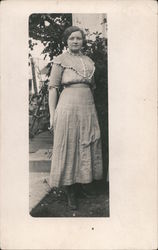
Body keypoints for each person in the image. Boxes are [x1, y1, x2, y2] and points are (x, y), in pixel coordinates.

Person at [48, 26, 103, 210]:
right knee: (69, 144)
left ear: (83, 41)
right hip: (67, 107)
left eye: (78, 38)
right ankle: (70, 190)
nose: (75, 41)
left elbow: (92, 87)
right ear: (66, 41)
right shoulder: (60, 61)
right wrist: (52, 114)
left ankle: (83, 183)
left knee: (86, 142)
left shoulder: (89, 61)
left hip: (87, 107)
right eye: (71, 38)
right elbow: (53, 89)